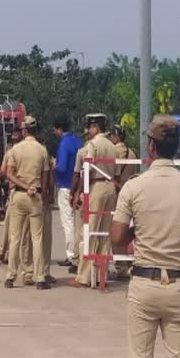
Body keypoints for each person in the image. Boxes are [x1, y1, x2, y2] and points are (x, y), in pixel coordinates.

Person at [111, 115, 180, 358]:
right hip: (178, 286)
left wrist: (138, 233)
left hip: (144, 285)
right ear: (177, 146)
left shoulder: (134, 188)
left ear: (150, 146)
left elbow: (117, 237)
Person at [4, 115, 52, 289]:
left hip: (18, 195)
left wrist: (23, 185)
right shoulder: (42, 150)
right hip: (36, 196)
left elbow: (8, 173)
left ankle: (10, 276)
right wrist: (43, 195)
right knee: (37, 238)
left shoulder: (15, 150)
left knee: (15, 237)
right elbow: (45, 177)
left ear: (24, 130)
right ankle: (40, 278)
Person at [73, 113, 118, 288]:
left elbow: (88, 169)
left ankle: (85, 276)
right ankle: (101, 274)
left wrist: (79, 192)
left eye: (90, 127)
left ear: (95, 127)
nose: (88, 130)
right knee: (105, 233)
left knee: (90, 230)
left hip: (96, 187)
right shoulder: (112, 146)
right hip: (110, 188)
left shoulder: (93, 145)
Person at [0, 126, 29, 265]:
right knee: (12, 224)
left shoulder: (11, 152)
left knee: (13, 225)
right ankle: (5, 252)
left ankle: (7, 254)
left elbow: (3, 171)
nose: (14, 136)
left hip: (15, 190)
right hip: (22, 190)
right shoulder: (30, 149)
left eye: (15, 134)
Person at [52, 115, 81, 267]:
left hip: (65, 185)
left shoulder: (63, 143)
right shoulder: (77, 141)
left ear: (58, 129)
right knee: (78, 223)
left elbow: (61, 167)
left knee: (68, 221)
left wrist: (53, 164)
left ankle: (71, 255)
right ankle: (77, 252)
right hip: (80, 186)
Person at [109, 124, 137, 279]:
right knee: (130, 229)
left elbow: (113, 174)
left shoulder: (113, 152)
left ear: (115, 136)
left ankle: (120, 266)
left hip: (117, 194)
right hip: (130, 194)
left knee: (117, 231)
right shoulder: (132, 153)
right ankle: (131, 262)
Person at [68, 127, 92, 274]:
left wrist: (74, 194)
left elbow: (78, 175)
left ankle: (78, 260)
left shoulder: (83, 151)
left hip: (85, 193)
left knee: (79, 228)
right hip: (105, 193)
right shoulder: (109, 149)